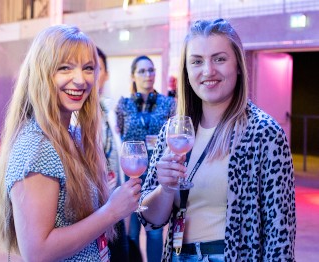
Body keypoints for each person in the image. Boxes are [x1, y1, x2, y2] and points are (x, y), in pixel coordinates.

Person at [138, 18, 296, 261]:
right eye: (197, 61)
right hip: (180, 256)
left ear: (239, 65)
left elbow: (280, 235)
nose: (208, 71)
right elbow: (151, 220)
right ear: (187, 71)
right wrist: (165, 188)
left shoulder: (263, 133)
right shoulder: (174, 132)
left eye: (219, 59)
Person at [0, 24, 142, 261]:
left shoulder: (72, 134)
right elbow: (38, 252)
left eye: (88, 68)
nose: (80, 80)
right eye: (65, 68)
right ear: (42, 73)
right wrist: (111, 211)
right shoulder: (37, 148)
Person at [115, 55, 176, 262]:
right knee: (131, 230)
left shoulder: (168, 103)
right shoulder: (123, 105)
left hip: (157, 171)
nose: (148, 75)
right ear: (133, 75)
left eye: (151, 70)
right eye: (142, 71)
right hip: (132, 172)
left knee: (154, 229)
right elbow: (122, 133)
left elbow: (172, 137)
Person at [97, 47, 129, 262]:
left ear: (106, 74)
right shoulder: (70, 116)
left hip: (115, 202)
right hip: (90, 210)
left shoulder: (112, 110)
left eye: (94, 68)